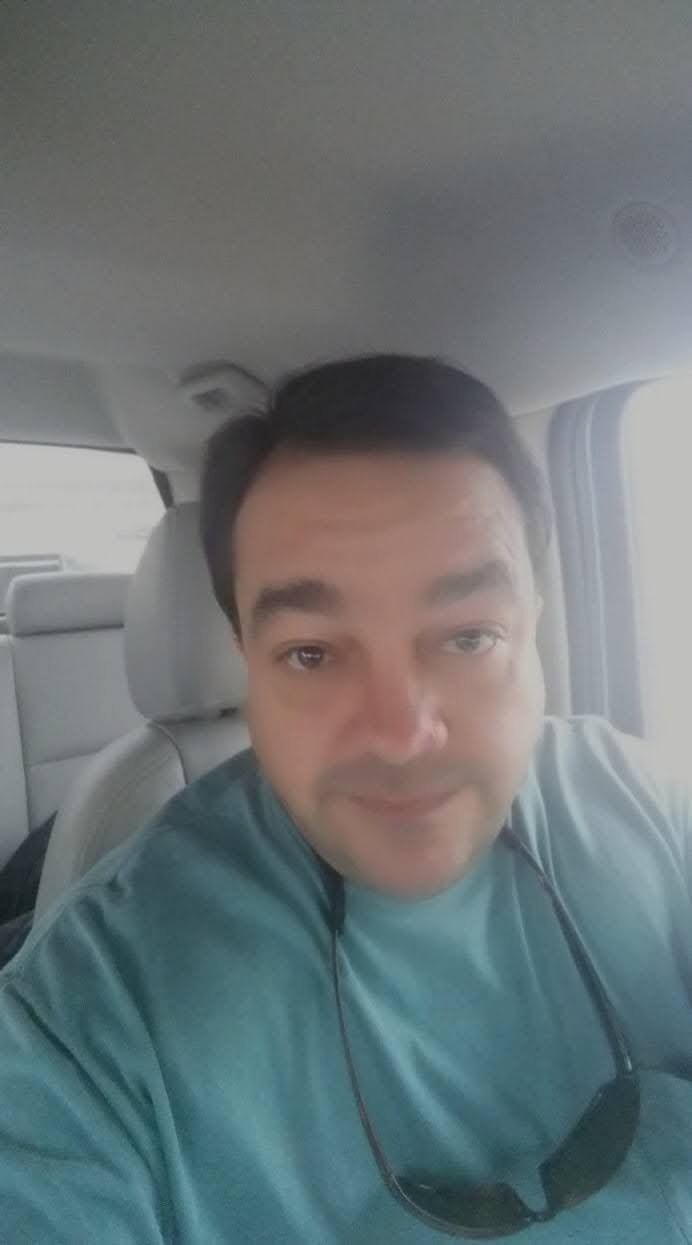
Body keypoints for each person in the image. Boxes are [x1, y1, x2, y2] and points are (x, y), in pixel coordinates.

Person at [0, 355, 690, 1243]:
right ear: (246, 661)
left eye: (469, 637)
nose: (402, 735)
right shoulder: (87, 1014)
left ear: (536, 626)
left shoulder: (644, 805)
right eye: (313, 654)